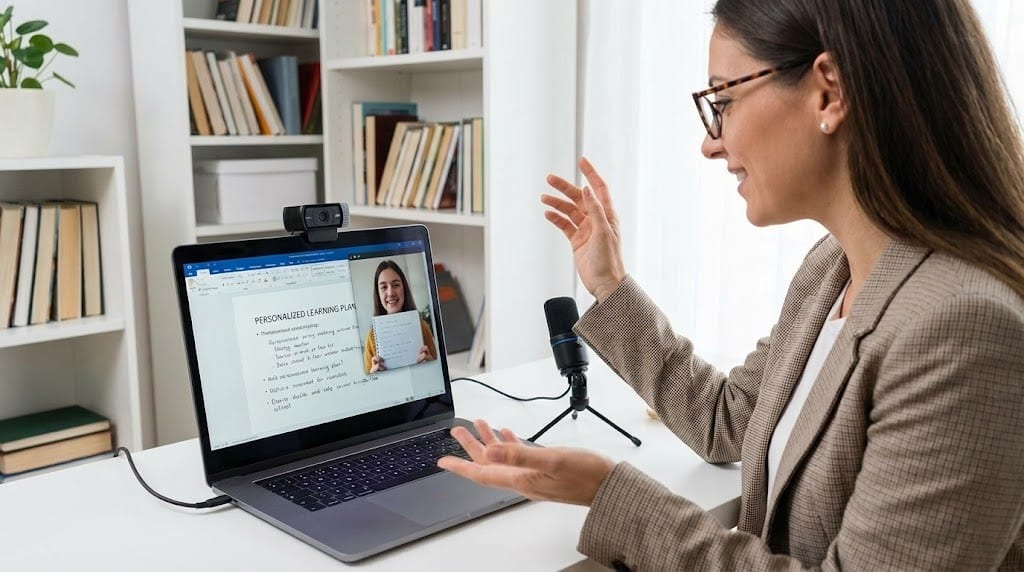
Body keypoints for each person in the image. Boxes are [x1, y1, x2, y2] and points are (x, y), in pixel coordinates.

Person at [438, 0, 1024, 568]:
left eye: (723, 99)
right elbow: (729, 420)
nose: (710, 142)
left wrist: (610, 492)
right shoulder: (832, 269)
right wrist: (610, 284)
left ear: (829, 92)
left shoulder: (964, 327)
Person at [363, 259, 437, 373]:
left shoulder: (422, 327)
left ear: (404, 289)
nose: (390, 293)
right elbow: (368, 383)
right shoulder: (371, 339)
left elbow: (436, 374)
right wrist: (374, 376)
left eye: (396, 285)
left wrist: (432, 365)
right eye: (384, 287)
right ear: (378, 294)